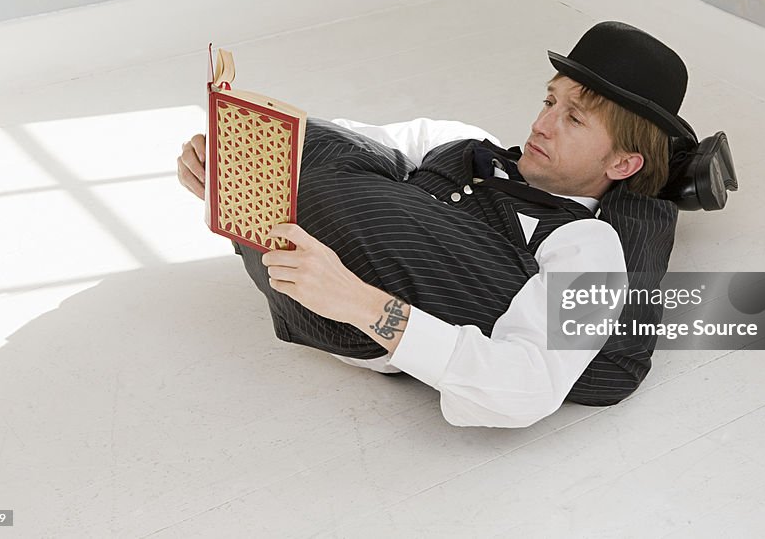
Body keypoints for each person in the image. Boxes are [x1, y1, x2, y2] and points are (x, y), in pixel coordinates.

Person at [177, 22, 687, 427]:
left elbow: (530, 386)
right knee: (307, 140)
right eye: (549, 101)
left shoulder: (588, 247)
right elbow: (345, 143)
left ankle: (674, 176)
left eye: (574, 119)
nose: (541, 123)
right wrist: (227, 163)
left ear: (621, 164)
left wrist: (357, 300)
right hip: (295, 272)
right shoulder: (461, 140)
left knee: (330, 191)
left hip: (359, 314)